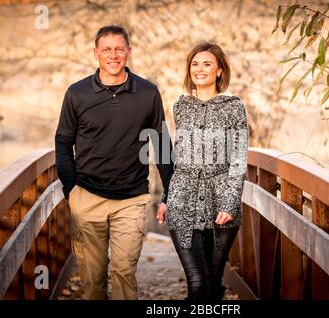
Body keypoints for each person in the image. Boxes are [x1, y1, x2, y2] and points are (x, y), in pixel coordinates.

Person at [55, 25, 174, 300]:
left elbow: (162, 145)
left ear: (129, 52)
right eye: (106, 49)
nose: (113, 55)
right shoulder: (77, 93)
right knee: (92, 279)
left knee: (123, 271)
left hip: (131, 199)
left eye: (119, 49)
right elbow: (62, 142)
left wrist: (170, 192)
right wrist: (71, 190)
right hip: (87, 196)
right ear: (96, 53)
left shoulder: (147, 92)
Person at [156, 42, 248, 301]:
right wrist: (166, 199)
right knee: (197, 284)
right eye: (194, 64)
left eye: (207, 64)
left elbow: (238, 159)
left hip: (221, 201)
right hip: (182, 198)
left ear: (219, 71)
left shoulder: (234, 107)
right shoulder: (181, 106)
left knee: (213, 285)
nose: (200, 69)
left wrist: (230, 202)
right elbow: (177, 157)